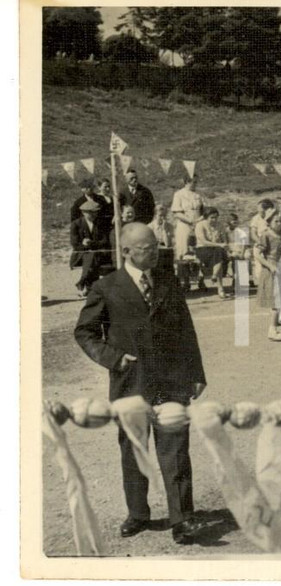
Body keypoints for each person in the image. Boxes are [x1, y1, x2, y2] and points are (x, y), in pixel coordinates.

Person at [74, 222, 208, 545]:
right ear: (128, 251)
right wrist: (114, 358)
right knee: (134, 450)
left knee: (175, 450)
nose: (155, 252)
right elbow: (85, 332)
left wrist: (196, 373)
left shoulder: (168, 281)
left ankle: (182, 519)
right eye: (148, 248)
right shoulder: (106, 287)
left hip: (171, 379)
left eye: (156, 246)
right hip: (130, 382)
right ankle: (138, 513)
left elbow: (186, 329)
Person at [256, 211, 281, 342]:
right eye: (276, 221)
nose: (279, 223)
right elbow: (258, 255)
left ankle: (276, 325)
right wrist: (270, 266)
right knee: (276, 302)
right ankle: (272, 329)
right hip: (272, 269)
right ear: (269, 222)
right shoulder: (266, 235)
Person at [69, 200, 112, 297]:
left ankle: (83, 282)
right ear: (83, 212)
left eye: (95, 212)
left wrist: (91, 243)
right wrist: (84, 245)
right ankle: (89, 285)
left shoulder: (100, 223)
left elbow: (105, 241)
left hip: (99, 254)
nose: (94, 215)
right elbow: (75, 244)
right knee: (91, 256)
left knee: (93, 256)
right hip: (81, 254)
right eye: (90, 212)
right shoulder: (76, 224)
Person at [170, 176, 203, 292]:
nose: (195, 184)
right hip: (184, 226)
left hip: (197, 225)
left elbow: (202, 211)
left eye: (196, 182)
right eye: (193, 182)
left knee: (198, 252)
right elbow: (177, 213)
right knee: (183, 252)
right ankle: (185, 281)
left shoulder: (198, 195)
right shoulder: (178, 194)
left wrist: (199, 221)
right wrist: (190, 221)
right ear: (186, 182)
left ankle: (200, 280)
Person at [194, 207, 230, 299]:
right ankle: (220, 288)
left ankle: (214, 276)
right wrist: (219, 244)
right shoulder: (200, 225)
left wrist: (225, 245)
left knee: (219, 253)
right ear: (206, 217)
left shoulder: (220, 225)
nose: (214, 220)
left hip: (217, 250)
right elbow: (203, 241)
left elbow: (224, 239)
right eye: (212, 218)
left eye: (216, 217)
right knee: (219, 254)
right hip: (203, 249)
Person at [149, 203, 174, 272]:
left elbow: (168, 244)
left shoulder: (169, 226)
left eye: (164, 216)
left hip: (166, 252)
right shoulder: (150, 227)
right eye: (160, 216)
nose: (162, 218)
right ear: (155, 215)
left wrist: (164, 230)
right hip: (155, 252)